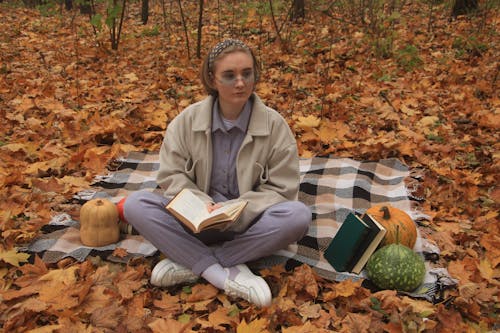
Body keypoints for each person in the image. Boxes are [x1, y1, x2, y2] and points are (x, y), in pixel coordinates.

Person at [123, 39, 311, 307]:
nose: (240, 83)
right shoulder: (185, 122)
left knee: (298, 216)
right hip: (194, 224)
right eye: (229, 75)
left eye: (247, 73)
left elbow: (283, 189)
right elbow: (171, 176)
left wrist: (238, 208)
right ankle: (225, 272)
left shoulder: (275, 126)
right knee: (137, 204)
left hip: (250, 227)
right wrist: (203, 205)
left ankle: (195, 263)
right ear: (212, 79)